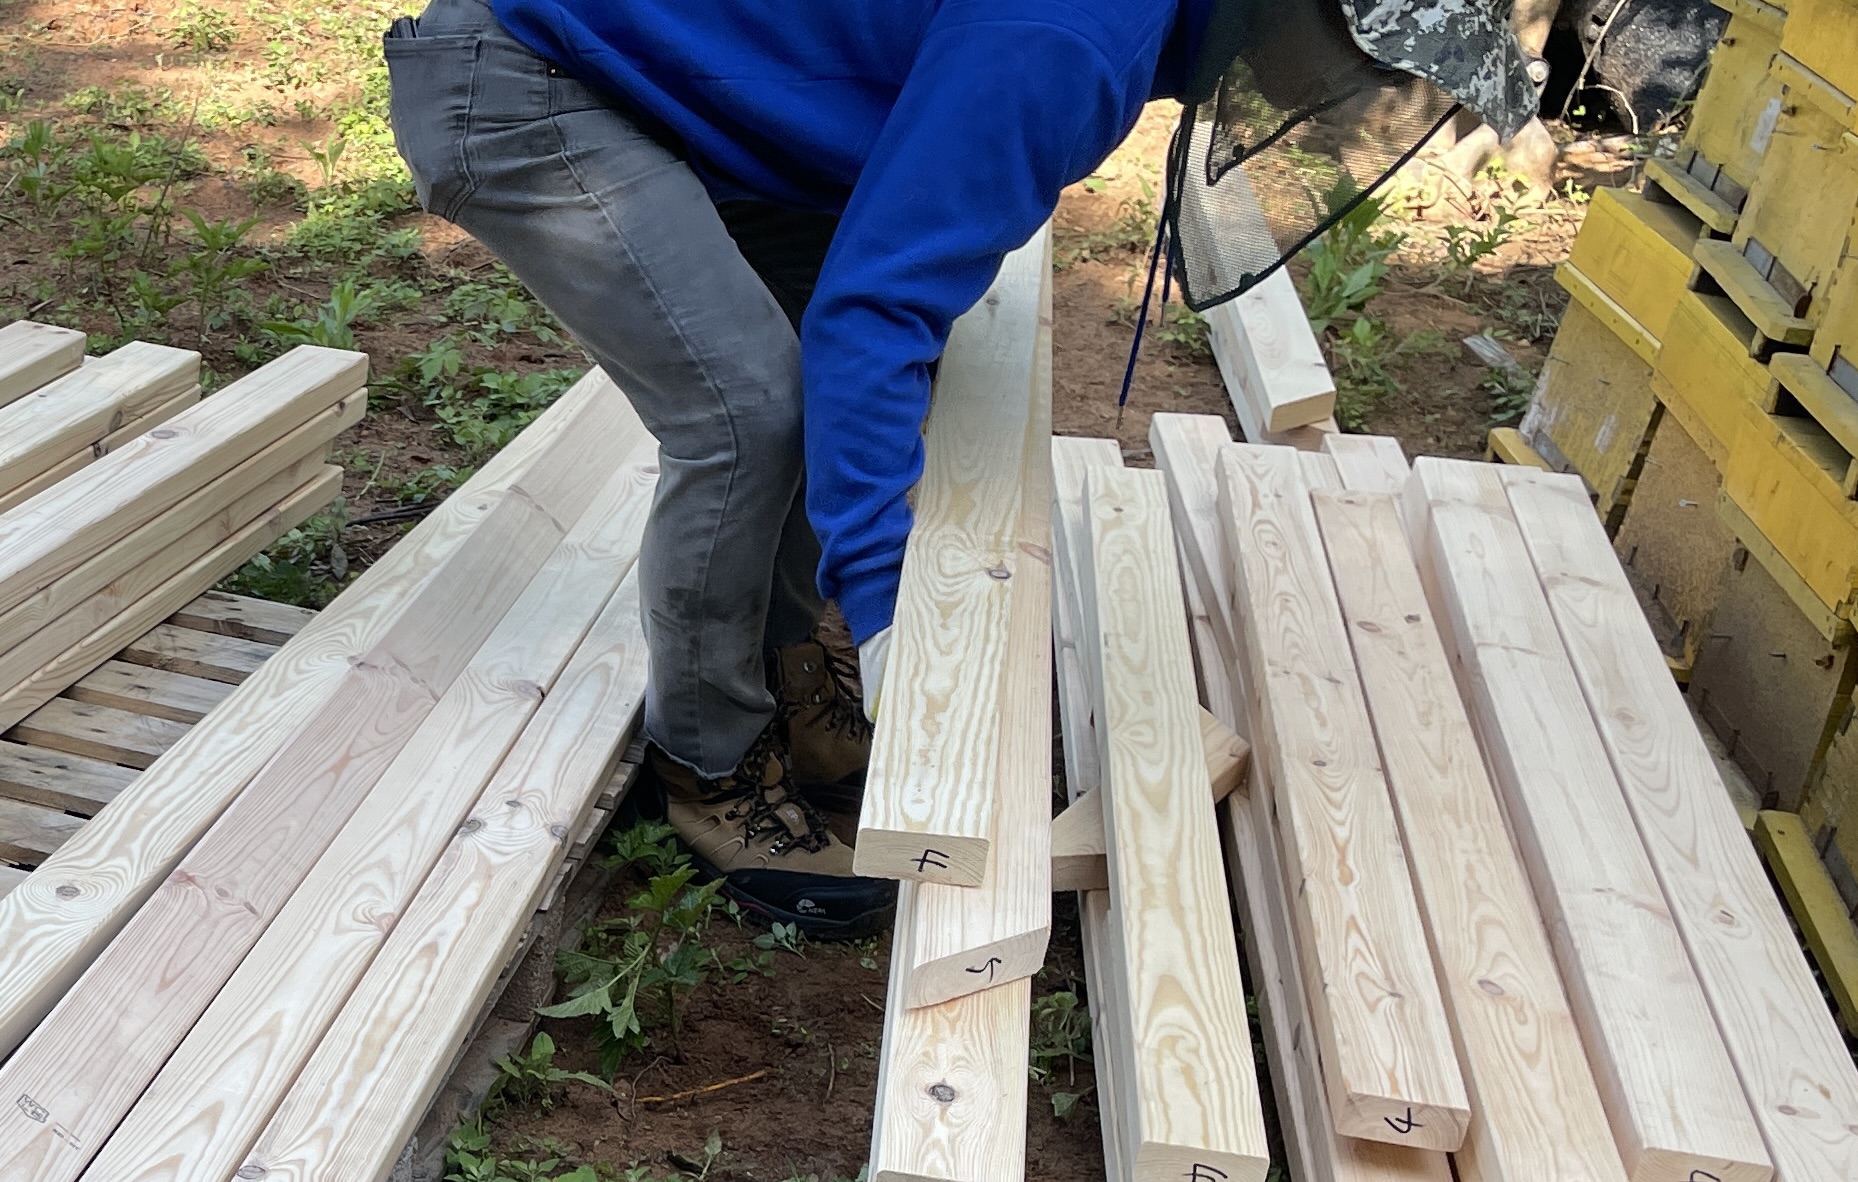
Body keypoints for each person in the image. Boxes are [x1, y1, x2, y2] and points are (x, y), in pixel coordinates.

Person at [387, 0, 1539, 934]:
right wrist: (890, 613)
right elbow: (872, 314)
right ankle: (709, 766)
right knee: (751, 412)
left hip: (685, 102)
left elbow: (888, 283)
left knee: (822, 393)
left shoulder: (1110, 30)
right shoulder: (1071, 36)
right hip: (524, 79)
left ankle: (789, 681)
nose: (1352, 96)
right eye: (1364, 58)